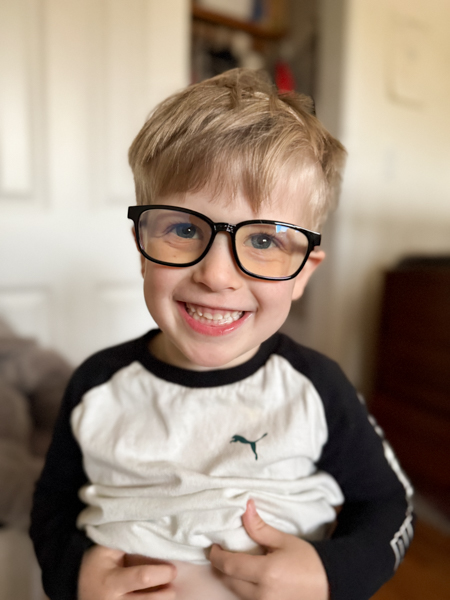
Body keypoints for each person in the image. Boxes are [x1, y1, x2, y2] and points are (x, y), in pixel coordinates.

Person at [30, 69, 413, 600]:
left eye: (263, 240)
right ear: (142, 247)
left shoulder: (316, 388)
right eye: (185, 229)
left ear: (303, 273)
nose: (216, 275)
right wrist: (75, 577)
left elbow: (390, 506)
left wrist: (330, 574)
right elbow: (51, 508)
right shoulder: (97, 384)